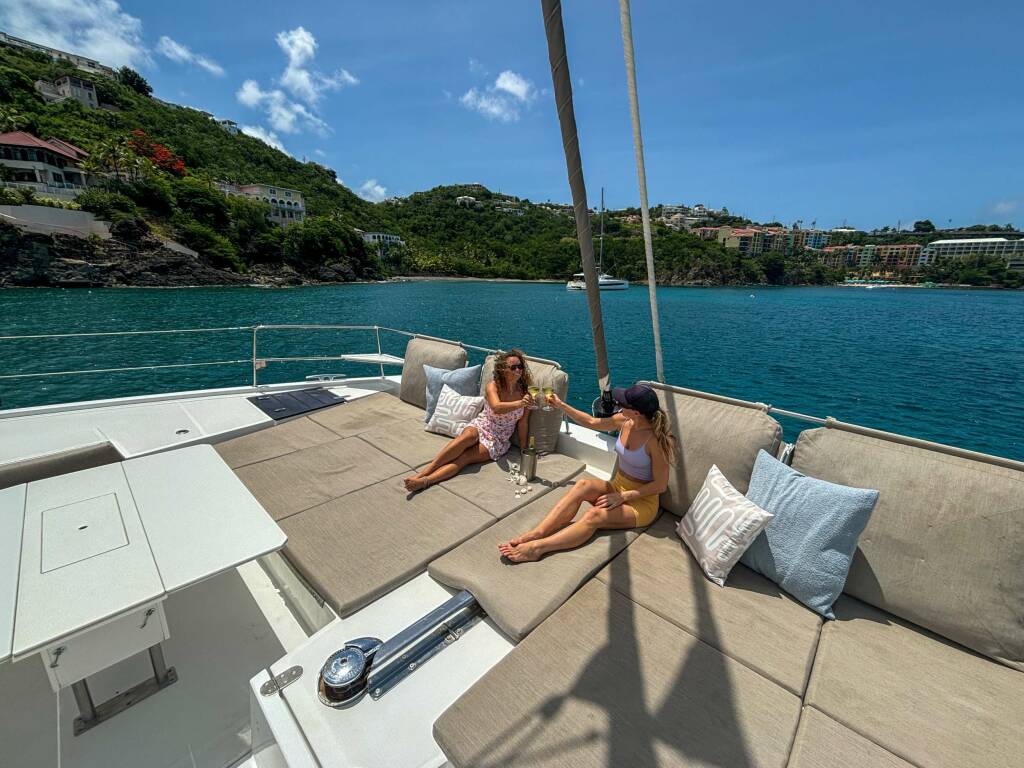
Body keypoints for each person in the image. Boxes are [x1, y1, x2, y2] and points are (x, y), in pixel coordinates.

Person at [498, 383, 676, 562]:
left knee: (593, 516)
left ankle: (538, 548)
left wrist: (623, 497)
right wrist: (561, 405)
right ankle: (538, 532)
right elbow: (591, 422)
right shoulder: (624, 420)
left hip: (641, 503)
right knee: (583, 485)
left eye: (623, 404)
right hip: (617, 486)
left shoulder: (655, 441)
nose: (618, 404)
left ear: (636, 413)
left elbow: (660, 485)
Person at [404, 349, 534, 492]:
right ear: (503, 369)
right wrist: (520, 403)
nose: (518, 370)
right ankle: (424, 472)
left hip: (498, 439)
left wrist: (524, 449)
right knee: (466, 437)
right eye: (513, 367)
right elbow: (496, 407)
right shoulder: (493, 386)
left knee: (464, 458)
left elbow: (523, 423)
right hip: (483, 424)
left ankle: (425, 481)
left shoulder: (525, 394)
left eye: (520, 366)